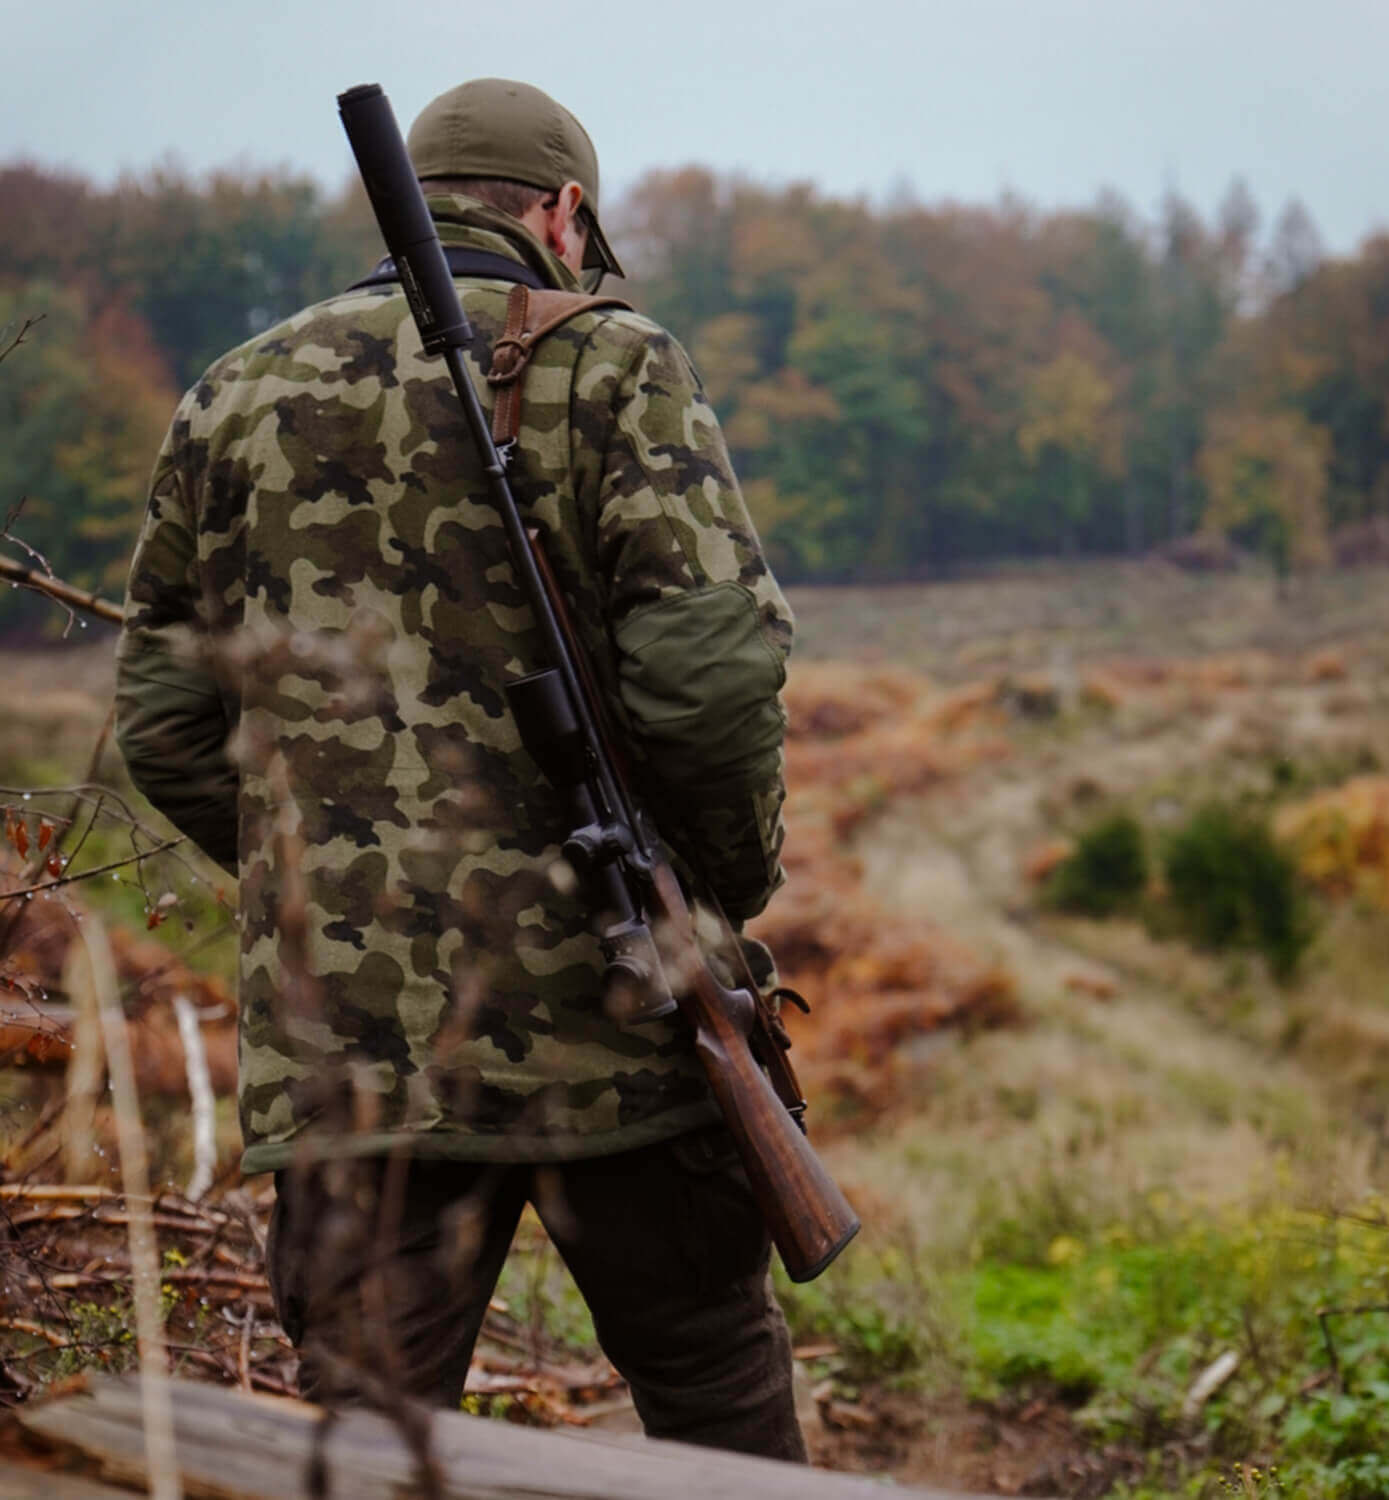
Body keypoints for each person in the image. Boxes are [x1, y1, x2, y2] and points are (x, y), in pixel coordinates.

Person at [114, 77, 805, 1460]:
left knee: (369, 1444)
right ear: (565, 213)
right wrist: (720, 880)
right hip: (623, 998)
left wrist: (335, 889)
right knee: (715, 1408)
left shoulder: (235, 392)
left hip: (353, 1047)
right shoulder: (617, 364)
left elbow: (165, 724)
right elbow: (711, 675)